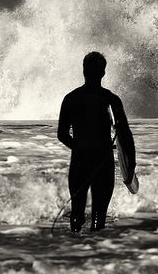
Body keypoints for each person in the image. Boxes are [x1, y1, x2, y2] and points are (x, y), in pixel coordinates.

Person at [57, 51, 135, 232]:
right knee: (99, 218)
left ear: (83, 71)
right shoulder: (110, 100)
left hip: (79, 161)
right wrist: (131, 163)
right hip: (103, 161)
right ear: (103, 73)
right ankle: (97, 255)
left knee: (76, 215)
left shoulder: (71, 98)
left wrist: (78, 148)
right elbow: (124, 134)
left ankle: (73, 255)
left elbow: (62, 134)